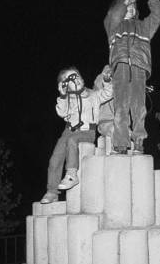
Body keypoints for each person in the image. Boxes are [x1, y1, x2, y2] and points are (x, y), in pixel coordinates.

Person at [103, 0, 160, 154]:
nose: (130, 9)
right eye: (126, 7)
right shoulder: (114, 26)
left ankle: (138, 141)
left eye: (132, 7)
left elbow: (158, 16)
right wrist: (123, 2)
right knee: (121, 107)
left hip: (139, 68)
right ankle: (121, 143)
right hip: (121, 67)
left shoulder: (144, 27)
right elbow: (113, 15)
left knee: (139, 106)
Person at [40, 67, 113, 204]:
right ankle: (52, 192)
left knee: (73, 141)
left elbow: (108, 93)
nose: (76, 79)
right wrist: (62, 96)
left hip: (87, 132)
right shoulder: (67, 99)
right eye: (70, 79)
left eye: (77, 76)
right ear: (65, 86)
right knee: (55, 158)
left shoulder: (93, 95)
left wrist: (107, 81)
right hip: (68, 131)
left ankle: (71, 173)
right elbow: (61, 113)